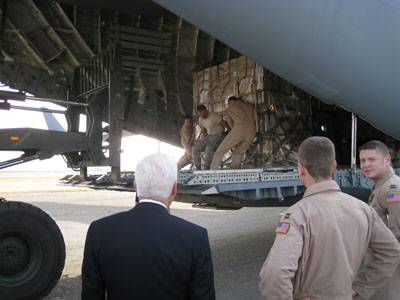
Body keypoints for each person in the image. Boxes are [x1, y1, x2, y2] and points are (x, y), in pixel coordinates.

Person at [259, 136, 400, 300]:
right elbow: (391, 251)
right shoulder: (364, 210)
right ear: (334, 166)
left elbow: (274, 275)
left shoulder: (298, 215)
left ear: (301, 169)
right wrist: (359, 287)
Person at [81, 153, 216, 300]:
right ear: (174, 189)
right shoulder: (195, 237)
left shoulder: (99, 231)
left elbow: (91, 295)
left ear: (136, 187)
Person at [359, 140, 400, 300]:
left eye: (371, 159)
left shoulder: (392, 190)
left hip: (390, 273)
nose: (366, 165)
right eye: (363, 160)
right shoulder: (380, 187)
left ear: (387, 160)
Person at [210, 96, 256, 169]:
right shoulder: (249, 106)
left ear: (231, 102)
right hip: (252, 131)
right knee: (239, 152)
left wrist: (235, 135)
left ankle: (212, 170)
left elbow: (230, 123)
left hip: (239, 129)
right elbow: (256, 118)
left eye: (228, 103)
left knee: (220, 151)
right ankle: (234, 168)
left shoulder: (230, 109)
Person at [192, 105, 230, 170]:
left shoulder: (213, 115)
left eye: (203, 114)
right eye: (200, 115)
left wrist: (230, 134)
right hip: (209, 136)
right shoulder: (200, 119)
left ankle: (207, 168)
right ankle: (198, 168)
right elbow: (203, 130)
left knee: (209, 147)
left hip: (219, 135)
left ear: (206, 111)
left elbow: (225, 124)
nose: (202, 117)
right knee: (195, 148)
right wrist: (205, 140)